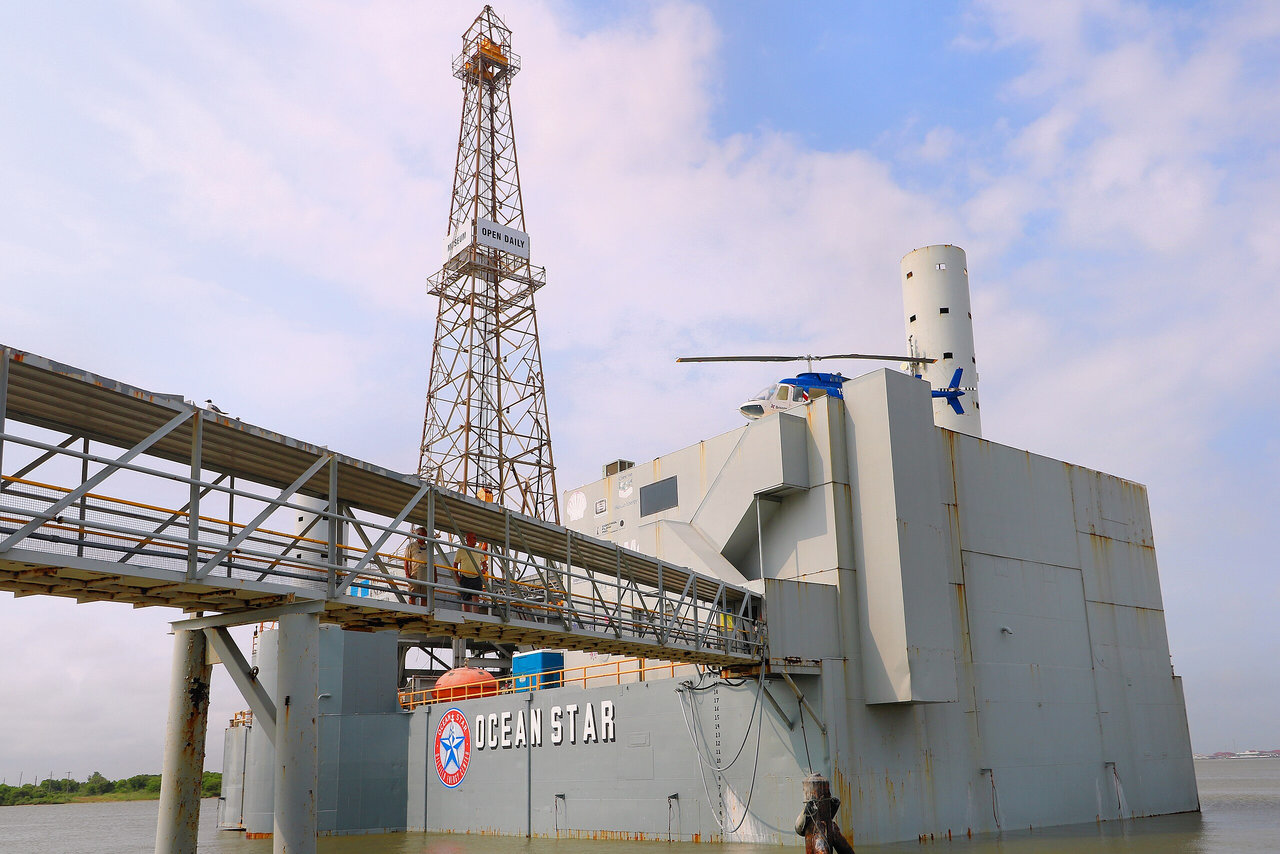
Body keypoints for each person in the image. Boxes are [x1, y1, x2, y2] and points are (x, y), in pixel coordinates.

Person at [453, 532, 487, 614]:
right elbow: (455, 564)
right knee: (466, 598)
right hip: (465, 577)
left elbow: (484, 563)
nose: (476, 540)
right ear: (468, 539)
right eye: (474, 538)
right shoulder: (461, 550)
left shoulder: (478, 550)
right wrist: (457, 576)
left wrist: (484, 569)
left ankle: (475, 615)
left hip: (476, 577)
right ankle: (466, 615)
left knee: (476, 597)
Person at [404, 526, 432, 606]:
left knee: (425, 596)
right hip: (414, 574)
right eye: (424, 535)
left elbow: (433, 563)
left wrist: (435, 576)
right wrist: (407, 574)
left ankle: (424, 611)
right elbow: (406, 561)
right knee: (412, 595)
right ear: (419, 535)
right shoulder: (411, 546)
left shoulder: (429, 547)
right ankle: (411, 610)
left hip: (426, 574)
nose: (426, 537)